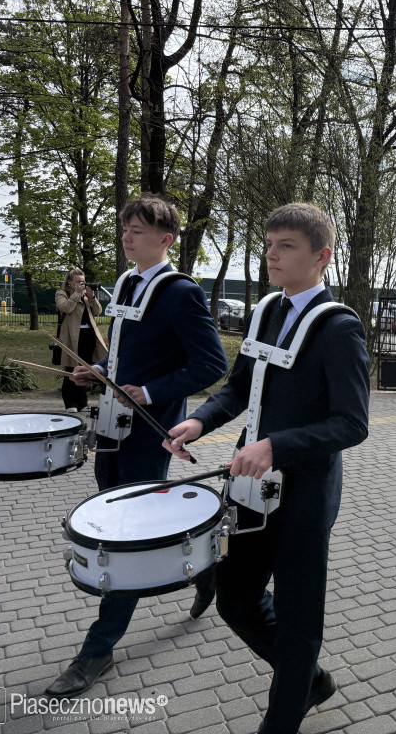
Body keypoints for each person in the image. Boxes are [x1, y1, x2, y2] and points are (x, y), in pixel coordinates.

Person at [165, 203, 370, 732]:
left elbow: (352, 423)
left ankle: (283, 715)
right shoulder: (265, 312)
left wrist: (276, 445)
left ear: (322, 256)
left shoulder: (339, 328)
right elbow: (239, 387)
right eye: (269, 244)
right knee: (235, 599)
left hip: (304, 494)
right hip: (250, 485)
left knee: (300, 621)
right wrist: (200, 421)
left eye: (286, 246)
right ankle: (309, 679)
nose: (271, 256)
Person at [46, 195, 229, 698]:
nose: (126, 237)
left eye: (138, 231)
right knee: (117, 514)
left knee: (124, 535)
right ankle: (207, 568)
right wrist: (100, 371)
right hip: (111, 425)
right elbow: (124, 354)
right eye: (125, 228)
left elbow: (213, 365)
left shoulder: (181, 292)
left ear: (165, 240)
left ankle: (97, 650)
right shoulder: (126, 282)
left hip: (151, 431)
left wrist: (147, 392)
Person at [55, 268, 105, 412]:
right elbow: (66, 308)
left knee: (85, 369)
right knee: (72, 368)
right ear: (69, 283)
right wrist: (76, 294)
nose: (82, 285)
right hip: (72, 337)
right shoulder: (61, 293)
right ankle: (70, 403)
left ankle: (82, 403)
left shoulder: (85, 295)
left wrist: (92, 297)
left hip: (88, 335)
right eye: (78, 282)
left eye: (83, 282)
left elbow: (98, 311)